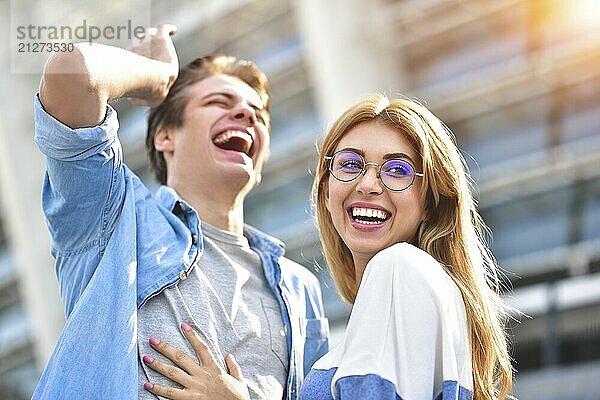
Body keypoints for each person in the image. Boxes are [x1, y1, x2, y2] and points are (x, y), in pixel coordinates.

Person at [145, 93, 514, 399]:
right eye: (350, 164)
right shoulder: (418, 296)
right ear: (326, 188)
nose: (368, 184)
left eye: (397, 170)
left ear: (432, 198)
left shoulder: (399, 268)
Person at [33, 24, 329, 400]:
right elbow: (71, 72)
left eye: (259, 114)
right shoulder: (114, 220)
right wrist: (159, 76)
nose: (246, 114)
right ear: (165, 136)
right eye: (219, 102)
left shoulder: (300, 288)